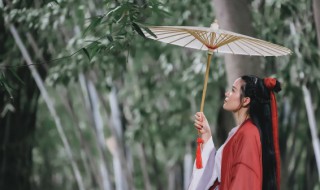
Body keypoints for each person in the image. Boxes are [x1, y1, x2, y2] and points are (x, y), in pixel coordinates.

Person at [188, 75, 281, 190]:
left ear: (246, 100)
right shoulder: (238, 132)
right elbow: (219, 172)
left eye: (233, 90)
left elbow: (243, 181)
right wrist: (206, 134)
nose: (227, 93)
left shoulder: (249, 134)